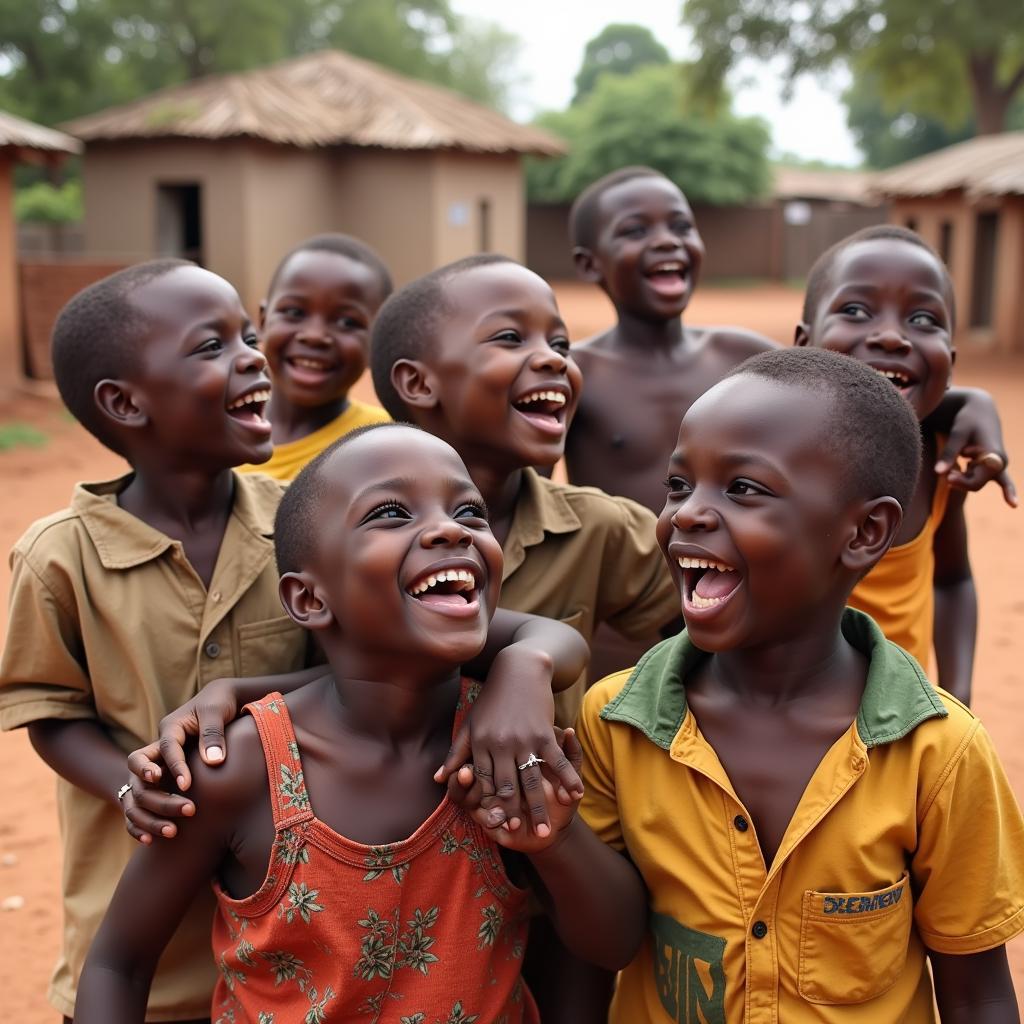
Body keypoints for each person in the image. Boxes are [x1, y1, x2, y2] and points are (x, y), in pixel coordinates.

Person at [0, 261, 593, 1023]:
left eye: (247, 335)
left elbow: (356, 660)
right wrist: (135, 787)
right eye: (212, 347)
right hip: (151, 891)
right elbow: (48, 711)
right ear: (124, 402)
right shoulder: (60, 555)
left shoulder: (301, 523)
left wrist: (525, 669)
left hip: (298, 920)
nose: (253, 357)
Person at [73, 423, 647, 1024]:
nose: (452, 529)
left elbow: (614, 944)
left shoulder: (505, 744)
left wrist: (553, 842)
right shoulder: (241, 768)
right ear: (310, 599)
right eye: (392, 512)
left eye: (470, 512)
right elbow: (119, 963)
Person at [574, 348, 1024, 1022]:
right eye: (678, 485)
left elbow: (978, 992)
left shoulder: (940, 754)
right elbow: (588, 959)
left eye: (744, 489)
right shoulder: (614, 723)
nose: (689, 514)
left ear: (865, 531)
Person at [564, 166, 1016, 516]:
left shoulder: (747, 356)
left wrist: (968, 402)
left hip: (737, 602)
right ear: (589, 264)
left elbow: (856, 397)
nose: (666, 241)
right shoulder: (575, 374)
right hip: (626, 629)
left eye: (681, 226)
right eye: (636, 231)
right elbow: (526, 493)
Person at [369, 252, 680, 727]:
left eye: (561, 343)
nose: (553, 358)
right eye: (510, 338)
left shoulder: (597, 528)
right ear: (419, 382)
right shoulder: (342, 527)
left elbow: (729, 624)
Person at [796, 225, 980, 701]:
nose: (892, 337)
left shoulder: (942, 461)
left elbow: (953, 578)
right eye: (855, 310)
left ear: (951, 361)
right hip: (788, 723)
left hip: (898, 724)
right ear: (804, 342)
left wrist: (958, 695)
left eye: (923, 319)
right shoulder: (771, 459)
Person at [237, 233, 391, 481]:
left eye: (347, 321)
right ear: (264, 321)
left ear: (378, 341)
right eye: (295, 312)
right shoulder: (214, 432)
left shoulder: (385, 444)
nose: (315, 336)